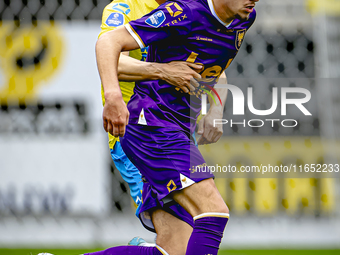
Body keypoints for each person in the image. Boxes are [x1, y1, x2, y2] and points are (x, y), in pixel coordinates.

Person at [94, 0, 259, 254]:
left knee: (176, 248)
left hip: (176, 128)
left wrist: (215, 108)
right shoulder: (128, 8)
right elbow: (110, 54)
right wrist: (160, 72)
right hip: (135, 124)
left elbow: (211, 65)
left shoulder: (226, 14)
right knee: (211, 211)